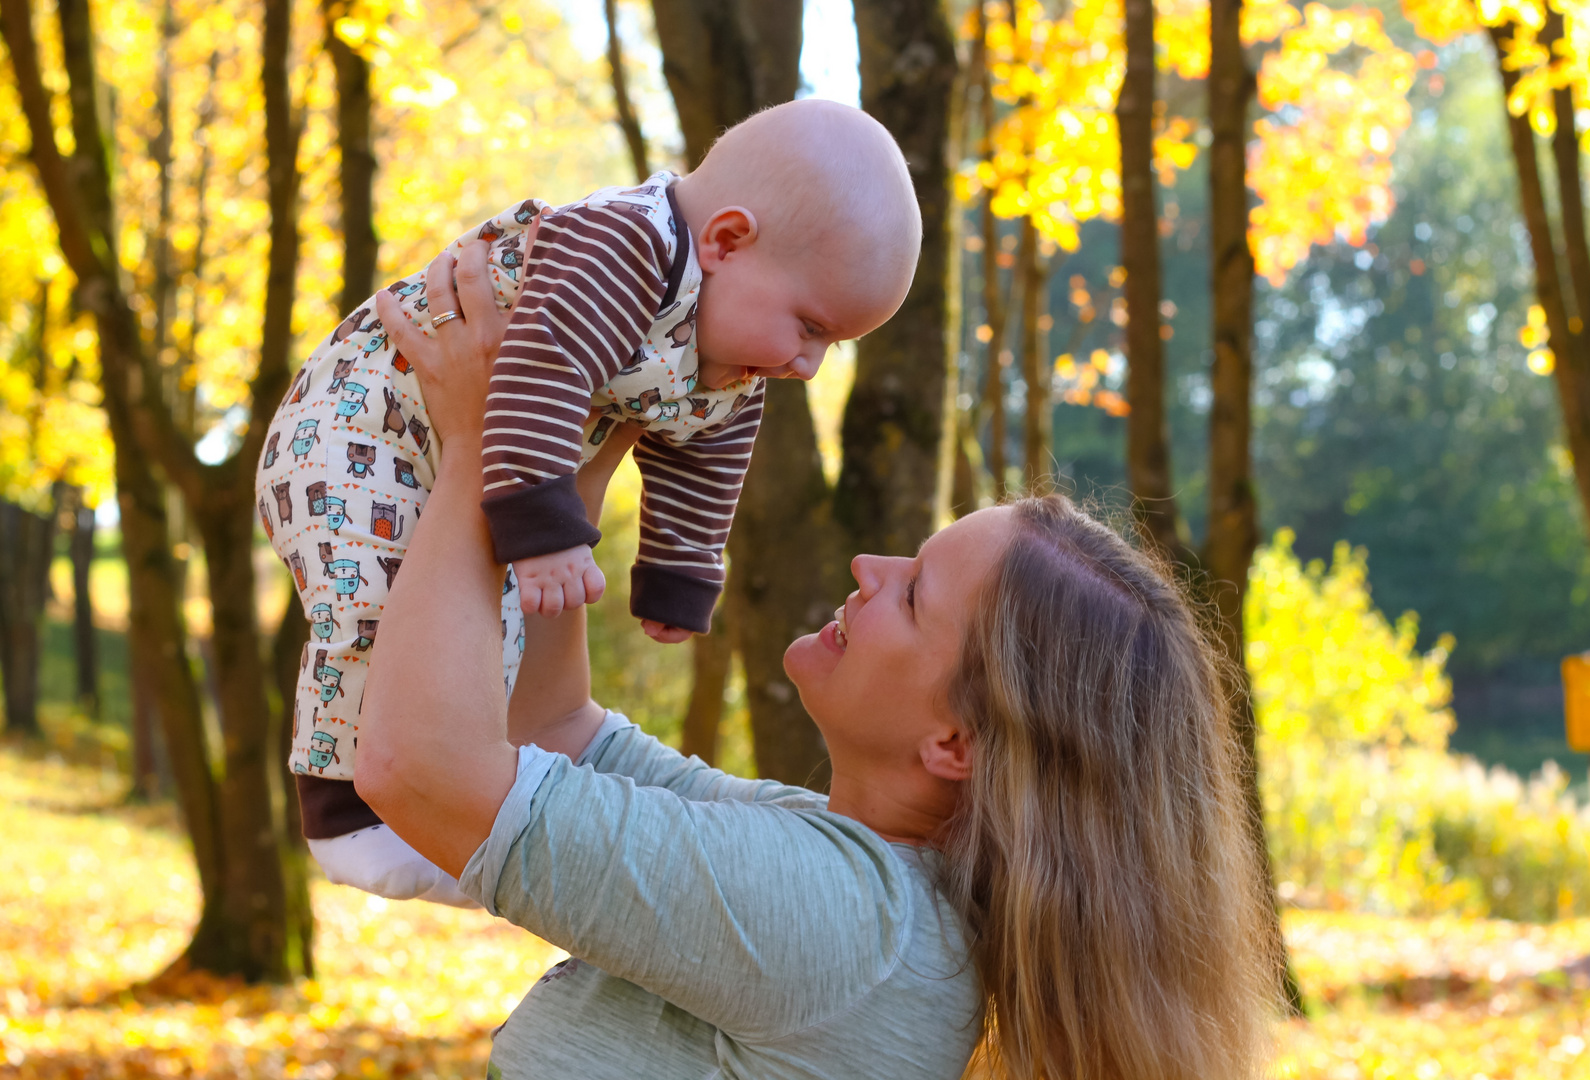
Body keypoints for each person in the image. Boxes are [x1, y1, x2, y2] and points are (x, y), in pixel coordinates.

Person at [352, 242, 1278, 1079]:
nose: (868, 569)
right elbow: (554, 733)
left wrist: (482, 445)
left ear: (956, 741)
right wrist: (564, 478)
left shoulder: (845, 927)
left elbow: (420, 771)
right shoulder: (855, 876)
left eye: (913, 595)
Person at [254, 99, 920, 904]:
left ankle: (446, 797)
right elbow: (538, 370)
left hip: (469, 450)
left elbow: (704, 457)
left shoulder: (732, 359)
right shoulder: (619, 246)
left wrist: (678, 573)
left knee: (480, 626)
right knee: (376, 600)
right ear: (727, 240)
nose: (809, 364)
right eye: (810, 327)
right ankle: (339, 810)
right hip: (360, 429)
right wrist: (545, 532)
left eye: (831, 345)